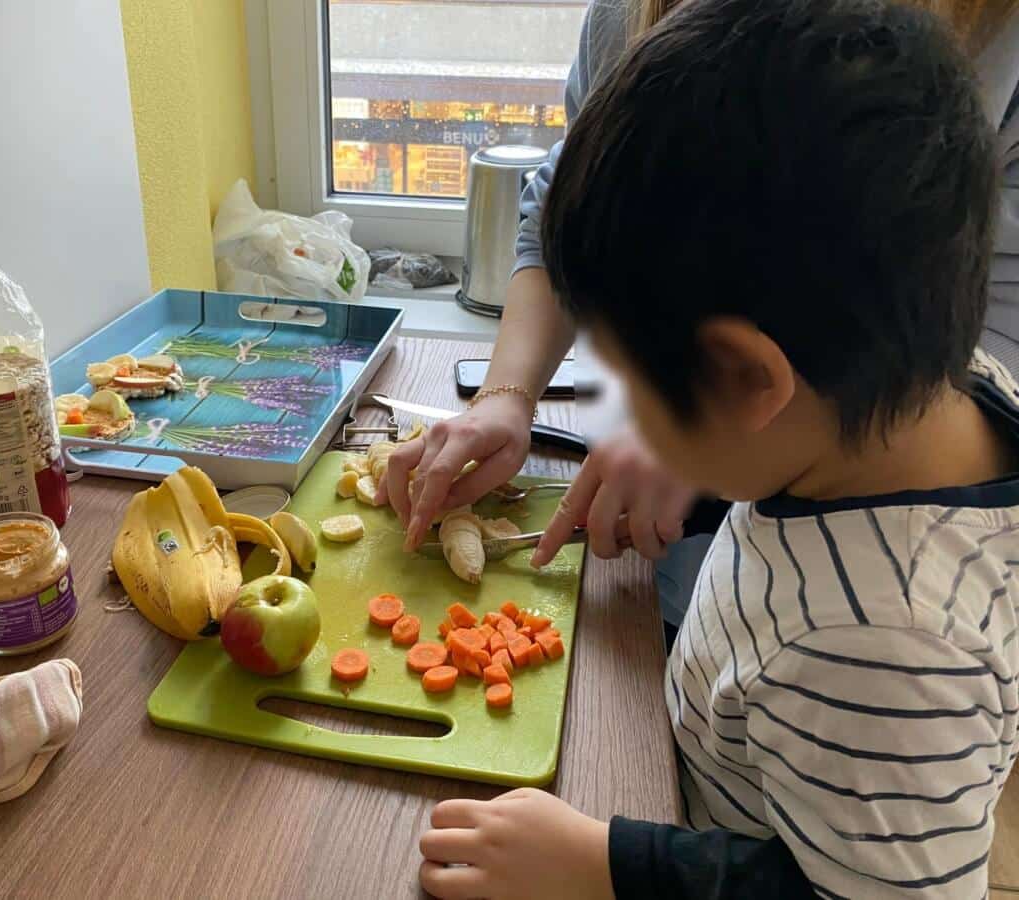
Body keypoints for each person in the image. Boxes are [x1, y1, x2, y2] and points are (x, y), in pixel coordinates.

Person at [416, 0, 1019, 896]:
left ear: (746, 382)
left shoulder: (881, 650)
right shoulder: (924, 389)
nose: (622, 428)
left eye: (625, 385)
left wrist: (608, 866)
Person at [378, 0, 1019, 631]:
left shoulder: (868, 649)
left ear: (744, 380)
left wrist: (692, 438)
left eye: (628, 381)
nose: (615, 408)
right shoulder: (797, 473)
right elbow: (568, 205)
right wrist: (507, 395)